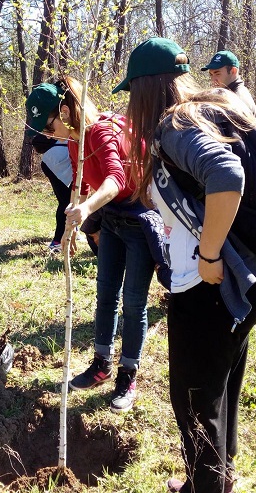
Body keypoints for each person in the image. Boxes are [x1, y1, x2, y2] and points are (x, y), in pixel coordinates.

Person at [117, 38, 256, 493]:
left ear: (144, 89)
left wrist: (207, 255)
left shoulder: (174, 125)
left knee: (194, 405)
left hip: (209, 287)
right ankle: (215, 486)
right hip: (247, 279)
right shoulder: (205, 112)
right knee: (221, 390)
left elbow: (226, 175)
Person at [25, 78, 157, 413]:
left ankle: (128, 375)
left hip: (140, 221)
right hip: (112, 221)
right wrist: (72, 224)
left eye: (49, 126)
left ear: (66, 112)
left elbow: (116, 179)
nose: (48, 134)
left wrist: (86, 208)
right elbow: (83, 183)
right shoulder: (73, 141)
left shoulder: (101, 132)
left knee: (133, 302)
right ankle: (101, 364)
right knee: (106, 293)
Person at [30, 132, 73, 253]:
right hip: (54, 163)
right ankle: (57, 241)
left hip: (48, 163)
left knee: (65, 202)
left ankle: (71, 231)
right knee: (66, 203)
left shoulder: (64, 138)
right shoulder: (64, 138)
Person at [201, 50, 256, 116]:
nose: (213, 80)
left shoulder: (238, 99)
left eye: (217, 74)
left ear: (233, 71)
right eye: (211, 75)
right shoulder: (227, 95)